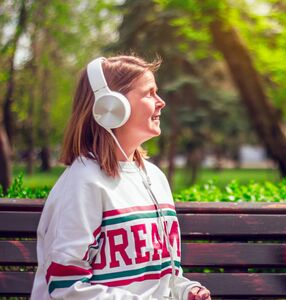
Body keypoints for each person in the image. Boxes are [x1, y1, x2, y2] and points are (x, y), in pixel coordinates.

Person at [31, 55, 211, 300]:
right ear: (111, 106)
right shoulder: (84, 182)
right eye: (150, 93)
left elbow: (160, 277)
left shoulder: (154, 178)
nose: (161, 102)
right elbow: (66, 288)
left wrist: (185, 290)